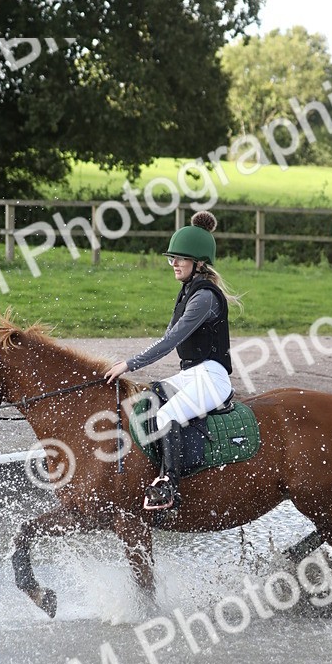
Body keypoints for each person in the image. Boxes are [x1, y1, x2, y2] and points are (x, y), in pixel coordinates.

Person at [104, 210, 241, 513]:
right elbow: (168, 336)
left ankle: (169, 486)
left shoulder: (205, 297)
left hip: (212, 377)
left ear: (199, 263)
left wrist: (129, 364)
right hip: (190, 375)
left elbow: (169, 342)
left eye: (181, 259)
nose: (175, 264)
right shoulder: (187, 292)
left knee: (167, 415)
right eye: (172, 259)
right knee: (150, 397)